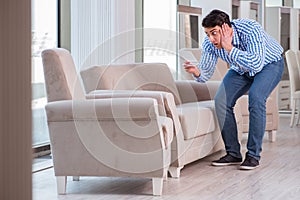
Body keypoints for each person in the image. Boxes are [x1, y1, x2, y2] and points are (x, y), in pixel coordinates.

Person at [184, 9, 284, 170]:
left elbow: (256, 63)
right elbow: (205, 72)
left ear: (226, 28)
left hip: (269, 64)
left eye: (214, 33)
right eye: (208, 33)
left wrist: (229, 48)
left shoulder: (250, 28)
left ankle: (253, 155)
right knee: (221, 101)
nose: (211, 38)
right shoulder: (209, 43)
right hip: (240, 69)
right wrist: (197, 72)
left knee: (256, 98)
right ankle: (233, 153)